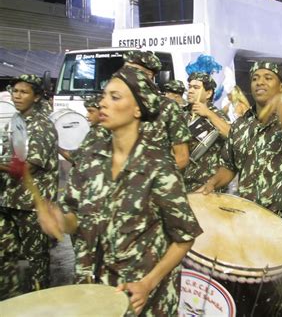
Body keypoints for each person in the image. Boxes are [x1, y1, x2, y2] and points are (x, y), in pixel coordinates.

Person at [38, 66, 202, 316]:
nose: (103, 103)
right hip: (94, 289)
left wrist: (148, 284)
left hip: (141, 298)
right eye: (104, 96)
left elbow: (184, 237)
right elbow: (76, 219)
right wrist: (61, 221)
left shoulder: (157, 165)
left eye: (115, 97)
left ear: (138, 108)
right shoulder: (91, 157)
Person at [198, 61, 282, 315]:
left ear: (281, 85)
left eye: (268, 77)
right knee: (250, 301)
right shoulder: (242, 126)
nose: (260, 82)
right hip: (248, 227)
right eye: (255, 78)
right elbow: (229, 165)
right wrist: (213, 182)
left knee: (281, 304)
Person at [0, 74, 58, 299]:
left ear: (36, 97)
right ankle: (10, 302)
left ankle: (40, 302)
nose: (17, 96)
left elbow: (29, 167)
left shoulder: (42, 125)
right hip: (9, 201)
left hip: (32, 206)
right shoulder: (15, 121)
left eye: (24, 92)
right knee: (5, 257)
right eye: (15, 91)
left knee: (36, 262)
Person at [123, 51, 192, 170]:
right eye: (125, 70)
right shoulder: (116, 106)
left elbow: (182, 157)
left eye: (133, 71)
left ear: (149, 76)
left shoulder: (167, 108)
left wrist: (148, 179)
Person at [184, 72, 230, 191]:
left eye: (196, 88)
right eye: (189, 87)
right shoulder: (180, 113)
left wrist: (208, 114)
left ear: (208, 93)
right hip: (180, 183)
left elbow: (231, 135)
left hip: (205, 185)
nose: (190, 91)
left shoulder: (219, 116)